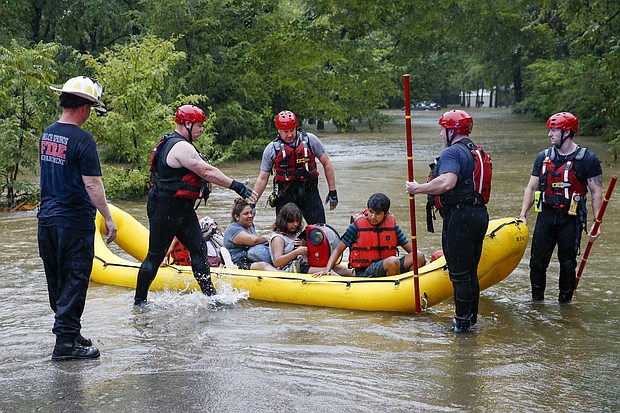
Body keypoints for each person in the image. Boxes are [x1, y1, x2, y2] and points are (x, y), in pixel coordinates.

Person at [134, 105, 257, 306]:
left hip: (182, 209)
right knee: (155, 256)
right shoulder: (180, 146)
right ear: (188, 124)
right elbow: (206, 171)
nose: (201, 130)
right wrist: (236, 186)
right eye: (199, 125)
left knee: (198, 250)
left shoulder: (183, 144)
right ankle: (139, 302)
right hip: (164, 208)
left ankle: (211, 298)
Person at [38, 76, 118, 361]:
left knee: (57, 278)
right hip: (73, 221)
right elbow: (93, 185)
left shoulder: (47, 133)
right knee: (75, 278)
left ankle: (70, 332)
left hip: (46, 219)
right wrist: (108, 218)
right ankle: (65, 345)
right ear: (85, 107)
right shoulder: (83, 139)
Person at [406, 110, 491, 332]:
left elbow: (446, 182)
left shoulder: (452, 153)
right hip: (479, 215)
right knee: (471, 272)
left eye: (443, 129)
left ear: (452, 131)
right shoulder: (477, 151)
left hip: (461, 217)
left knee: (460, 274)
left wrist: (419, 188)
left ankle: (462, 325)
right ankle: (470, 319)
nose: (441, 134)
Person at [518, 112, 602, 303]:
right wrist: (523, 214)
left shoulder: (588, 159)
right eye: (550, 130)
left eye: (554, 130)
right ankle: (536, 302)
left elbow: (596, 192)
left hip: (570, 218)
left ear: (567, 132)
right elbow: (531, 187)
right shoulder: (543, 157)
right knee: (537, 263)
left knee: (567, 264)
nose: (550, 134)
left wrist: (597, 222)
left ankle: (565, 305)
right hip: (546, 216)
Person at [252, 110, 338, 224]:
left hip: (310, 192)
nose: (289, 135)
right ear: (278, 130)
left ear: (296, 127)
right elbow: (262, 178)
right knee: (283, 234)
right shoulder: (271, 149)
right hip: (286, 195)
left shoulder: (310, 140)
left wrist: (333, 192)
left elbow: (326, 163)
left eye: (292, 130)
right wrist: (252, 203)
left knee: (318, 231)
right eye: (285, 131)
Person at [315, 193, 425, 278]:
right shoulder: (356, 226)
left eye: (378, 214)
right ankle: (392, 289)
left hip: (390, 265)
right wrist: (327, 270)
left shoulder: (392, 226)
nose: (373, 216)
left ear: (386, 214)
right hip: (365, 271)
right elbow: (338, 250)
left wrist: (426, 262)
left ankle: (408, 284)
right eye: (371, 212)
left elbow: (411, 251)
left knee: (419, 255)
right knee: (392, 261)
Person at [270, 202, 352, 275]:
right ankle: (346, 287)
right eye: (291, 221)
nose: (295, 224)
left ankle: (360, 276)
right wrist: (297, 252)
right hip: (291, 268)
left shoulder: (297, 234)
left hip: (305, 264)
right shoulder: (278, 238)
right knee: (327, 270)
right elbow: (277, 262)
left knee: (339, 268)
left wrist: (305, 244)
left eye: (297, 221)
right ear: (284, 221)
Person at [223, 198, 278, 270]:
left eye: (251, 213)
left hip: (250, 259)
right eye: (246, 214)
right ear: (237, 217)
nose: (250, 216)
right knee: (263, 266)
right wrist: (269, 239)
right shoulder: (233, 229)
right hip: (238, 263)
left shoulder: (250, 225)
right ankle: (284, 277)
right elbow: (253, 240)